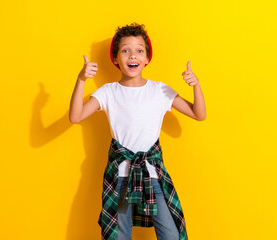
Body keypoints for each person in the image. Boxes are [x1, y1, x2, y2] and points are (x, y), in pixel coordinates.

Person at [69, 22, 206, 240]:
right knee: (120, 235)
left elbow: (198, 114)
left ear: (147, 58)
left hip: (152, 174)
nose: (133, 55)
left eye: (139, 50)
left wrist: (196, 86)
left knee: (171, 234)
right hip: (120, 178)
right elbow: (75, 117)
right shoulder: (108, 92)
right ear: (115, 59)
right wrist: (81, 80)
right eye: (125, 50)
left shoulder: (160, 90)